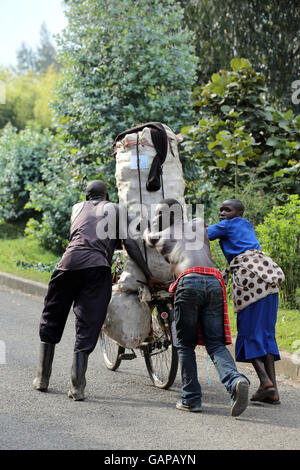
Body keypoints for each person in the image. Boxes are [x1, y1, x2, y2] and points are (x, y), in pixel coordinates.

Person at [33, 180, 161, 401]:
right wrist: (148, 275)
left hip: (67, 265)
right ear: (107, 195)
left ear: (86, 196)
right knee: (88, 322)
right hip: (96, 269)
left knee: (52, 317)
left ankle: (42, 378)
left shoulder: (76, 208)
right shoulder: (114, 209)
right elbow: (129, 244)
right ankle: (77, 387)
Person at [143, 198, 250, 416]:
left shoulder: (159, 236)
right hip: (214, 281)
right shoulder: (199, 224)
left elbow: (146, 236)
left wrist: (149, 223)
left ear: (162, 218)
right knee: (215, 343)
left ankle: (191, 398)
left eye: (157, 216)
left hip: (188, 281)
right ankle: (235, 380)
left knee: (184, 344)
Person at [207, 199, 284, 405]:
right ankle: (272, 390)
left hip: (249, 278)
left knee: (249, 330)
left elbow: (202, 236)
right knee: (266, 333)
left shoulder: (228, 225)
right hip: (268, 277)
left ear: (238, 213)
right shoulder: (246, 224)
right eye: (220, 210)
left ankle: (265, 382)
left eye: (227, 210)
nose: (222, 213)